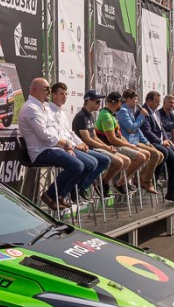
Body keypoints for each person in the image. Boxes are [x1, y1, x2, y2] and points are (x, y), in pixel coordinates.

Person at [17, 78, 95, 209]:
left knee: (87, 165)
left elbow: (56, 130)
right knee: (77, 166)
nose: (49, 91)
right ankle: (50, 195)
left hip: (53, 147)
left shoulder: (43, 107)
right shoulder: (31, 108)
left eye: (49, 89)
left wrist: (66, 145)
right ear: (34, 90)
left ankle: (59, 196)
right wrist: (66, 144)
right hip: (40, 151)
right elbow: (45, 136)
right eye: (46, 89)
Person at [48, 82, 108, 200]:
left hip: (72, 145)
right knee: (90, 163)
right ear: (53, 95)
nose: (65, 96)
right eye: (62, 94)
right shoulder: (49, 111)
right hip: (61, 147)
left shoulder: (62, 112)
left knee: (103, 160)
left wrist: (80, 143)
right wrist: (73, 145)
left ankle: (78, 187)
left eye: (66, 94)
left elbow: (70, 133)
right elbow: (55, 135)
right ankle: (67, 191)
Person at [72, 89, 131, 196]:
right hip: (85, 149)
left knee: (123, 161)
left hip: (92, 148)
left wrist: (106, 147)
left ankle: (101, 182)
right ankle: (85, 185)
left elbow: (94, 137)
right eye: (97, 101)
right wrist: (106, 147)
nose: (100, 104)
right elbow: (87, 139)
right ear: (88, 101)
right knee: (110, 161)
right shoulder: (81, 116)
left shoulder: (90, 116)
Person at [141, 91, 174, 202]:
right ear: (148, 101)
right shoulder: (144, 112)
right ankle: (170, 191)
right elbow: (147, 132)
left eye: (159, 102)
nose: (158, 104)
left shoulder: (156, 112)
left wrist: (169, 141)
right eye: (156, 102)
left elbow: (161, 129)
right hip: (153, 142)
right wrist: (161, 141)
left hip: (164, 141)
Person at [95, 91, 148, 192]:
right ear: (117, 102)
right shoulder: (106, 116)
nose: (122, 104)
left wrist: (129, 144)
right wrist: (129, 145)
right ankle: (111, 182)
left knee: (145, 154)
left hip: (116, 144)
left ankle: (121, 182)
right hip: (110, 146)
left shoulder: (111, 114)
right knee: (140, 157)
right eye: (121, 102)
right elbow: (112, 139)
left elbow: (119, 135)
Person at [115, 89, 164, 195]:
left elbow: (138, 130)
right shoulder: (123, 111)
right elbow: (131, 129)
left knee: (160, 155)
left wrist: (146, 141)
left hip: (135, 140)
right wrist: (142, 116)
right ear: (128, 99)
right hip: (129, 141)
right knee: (155, 154)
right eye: (135, 99)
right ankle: (145, 181)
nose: (137, 102)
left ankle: (141, 177)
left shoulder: (130, 110)